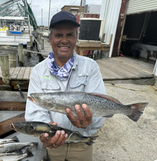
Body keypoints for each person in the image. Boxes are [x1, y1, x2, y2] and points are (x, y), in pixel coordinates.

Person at [25, 11, 106, 161]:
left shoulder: (91, 67)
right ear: (50, 39)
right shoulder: (38, 71)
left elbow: (100, 108)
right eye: (58, 35)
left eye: (69, 35)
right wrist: (46, 132)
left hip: (82, 141)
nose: (64, 40)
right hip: (52, 144)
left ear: (76, 38)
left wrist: (89, 121)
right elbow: (34, 112)